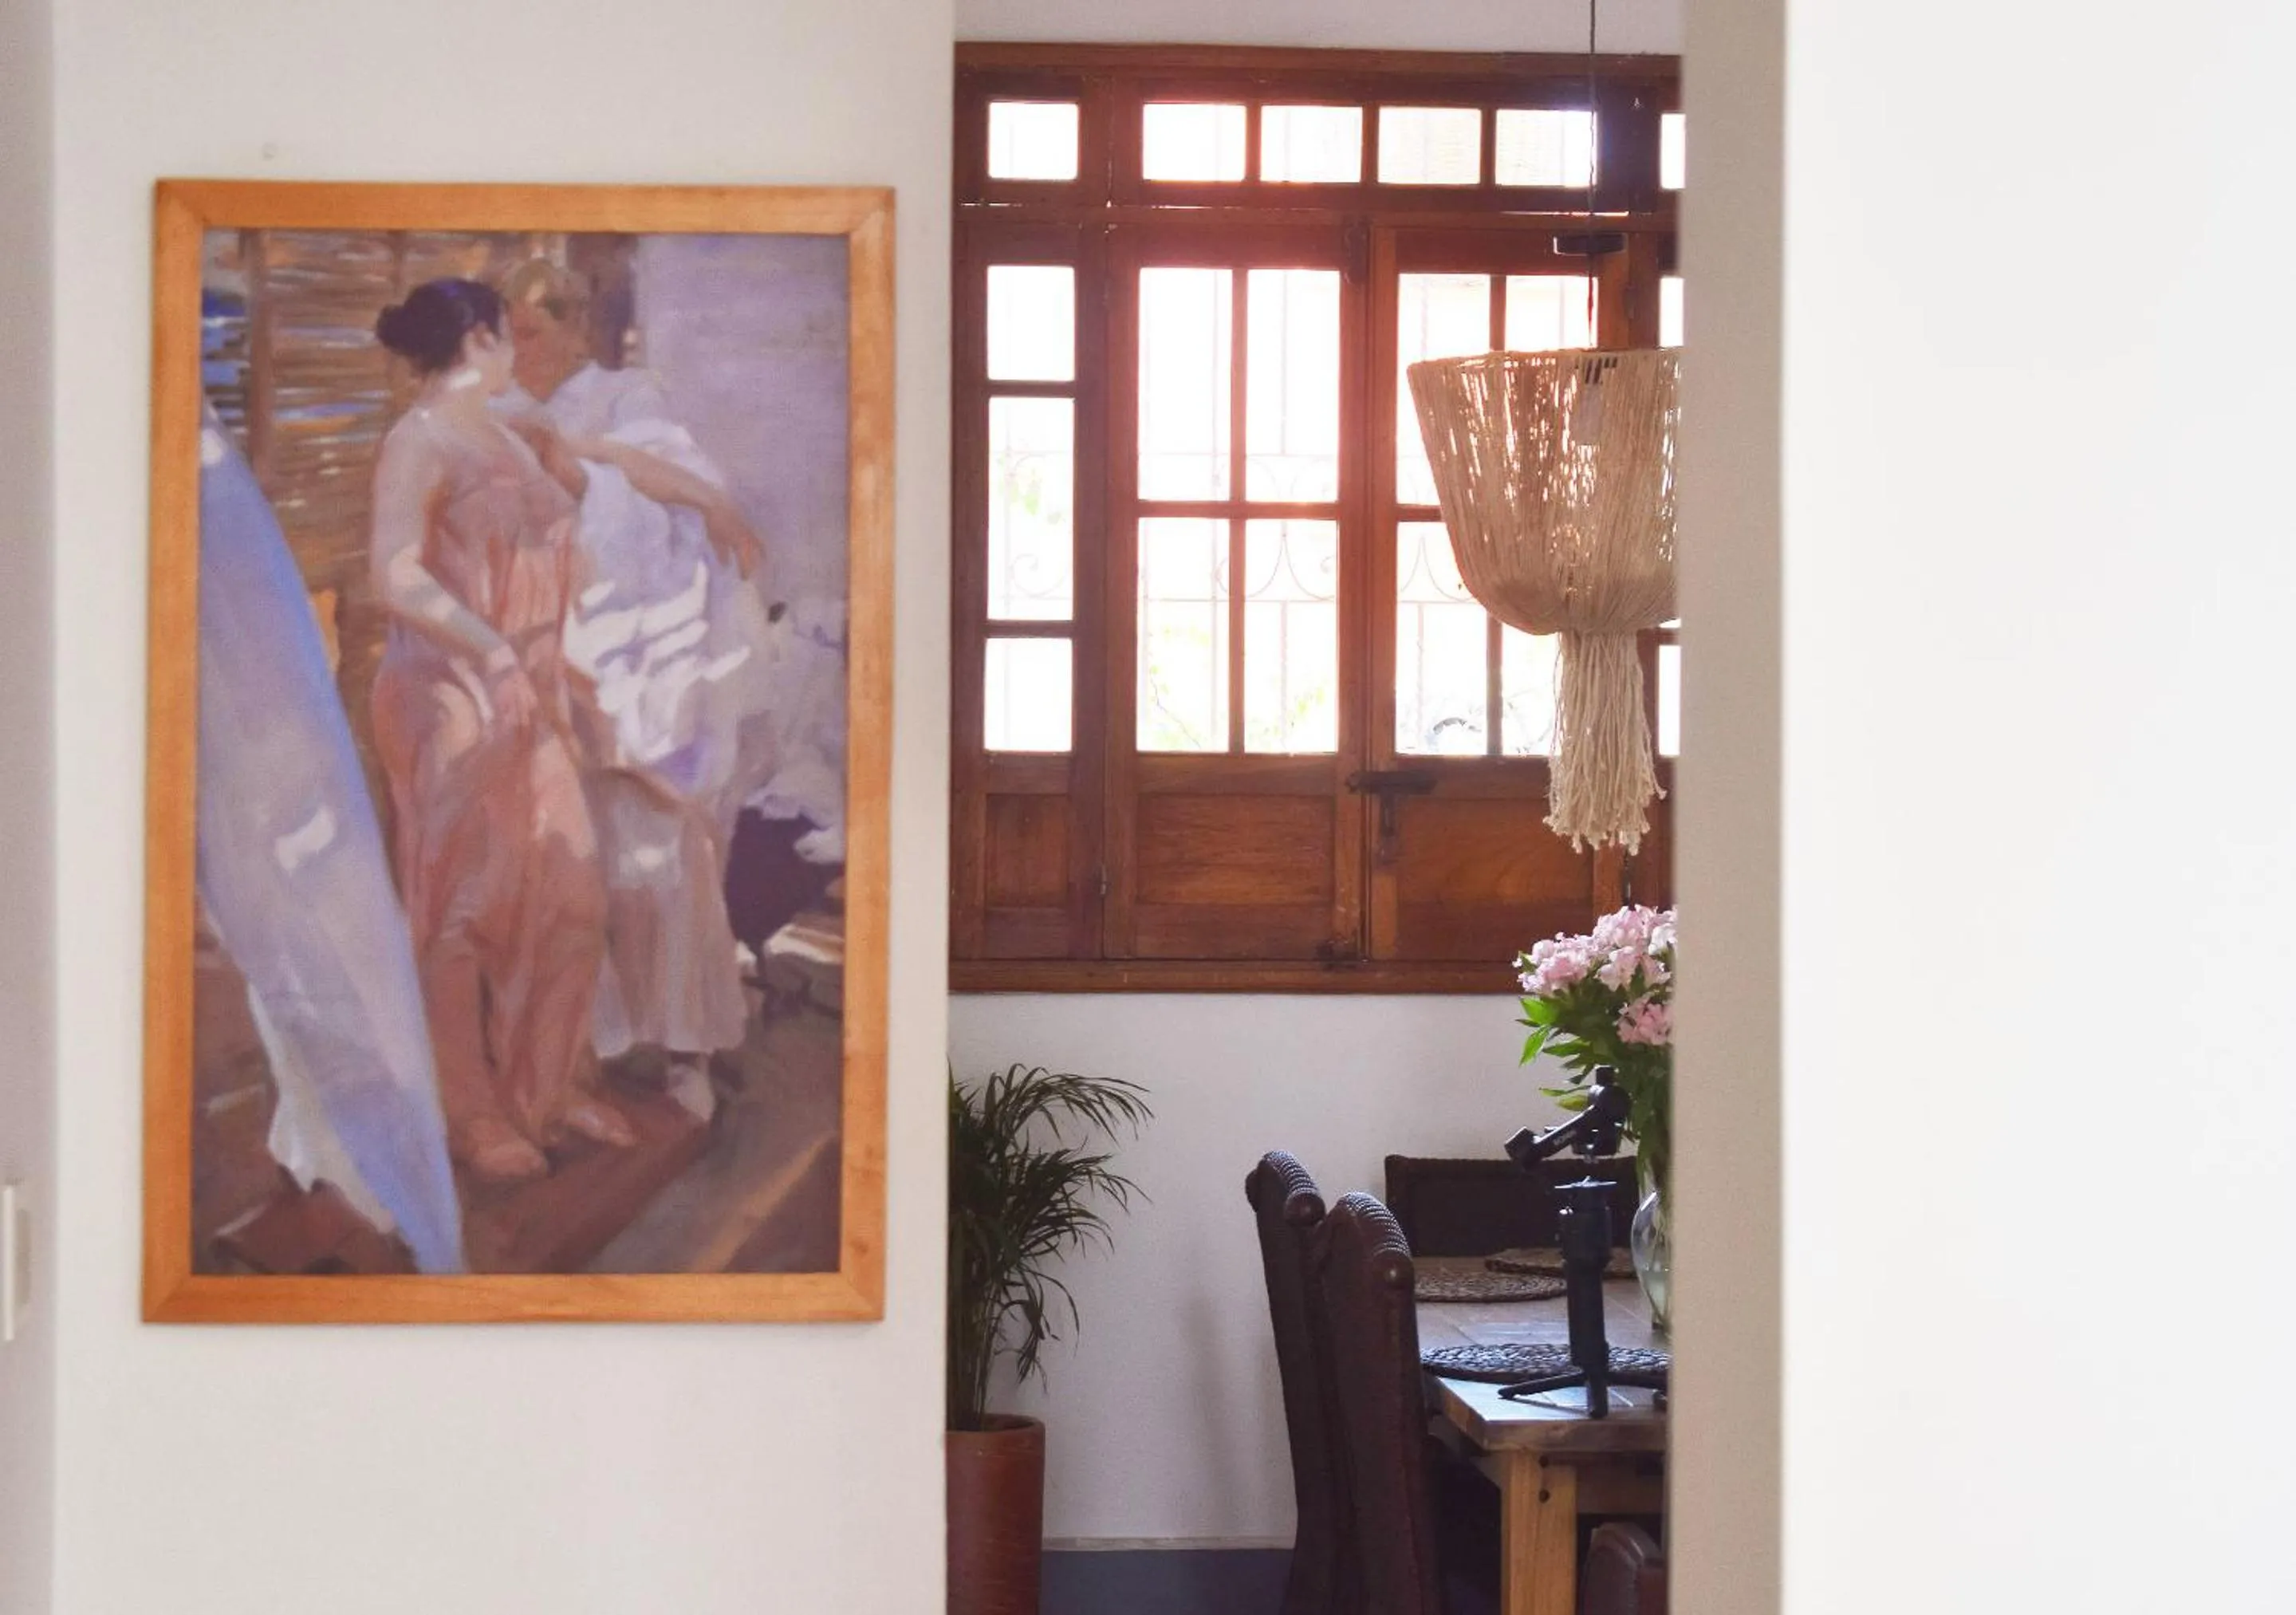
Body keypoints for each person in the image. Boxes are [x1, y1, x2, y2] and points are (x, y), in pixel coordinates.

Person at [367, 278, 636, 1182]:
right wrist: (489, 656)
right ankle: (472, 1115)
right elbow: (396, 575)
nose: (518, 346)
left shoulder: (509, 435)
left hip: (532, 688)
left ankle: (546, 1089)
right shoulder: (421, 439)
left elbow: (567, 552)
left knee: (571, 893)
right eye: (508, 332)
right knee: (460, 909)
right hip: (447, 689)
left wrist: (575, 674)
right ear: (480, 336)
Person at [494, 259, 775, 1121]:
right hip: (552, 651)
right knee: (574, 862)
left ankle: (684, 1046)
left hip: (637, 655)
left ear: (574, 328)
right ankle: (590, 1048)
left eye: (532, 332)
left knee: (663, 855)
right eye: (503, 335)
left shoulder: (624, 394)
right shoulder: (506, 410)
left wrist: (618, 479)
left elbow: (670, 510)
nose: (516, 351)